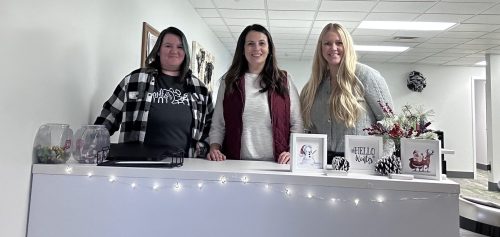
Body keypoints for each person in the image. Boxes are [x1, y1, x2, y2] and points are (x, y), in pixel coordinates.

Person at [94, 27, 213, 158]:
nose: (174, 51)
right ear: (158, 50)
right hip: (138, 164)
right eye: (168, 45)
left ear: (185, 52)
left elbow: (211, 127)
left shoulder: (200, 89)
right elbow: (110, 113)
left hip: (185, 166)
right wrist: (92, 140)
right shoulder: (135, 79)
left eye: (180, 47)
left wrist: (204, 149)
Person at [207, 24, 303, 164]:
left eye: (262, 43)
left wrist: (292, 152)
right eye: (250, 44)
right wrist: (214, 148)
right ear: (243, 49)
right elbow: (218, 123)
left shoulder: (284, 81)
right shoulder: (229, 82)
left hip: (277, 164)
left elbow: (297, 123)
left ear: (269, 49)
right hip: (234, 163)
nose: (256, 48)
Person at [300, 23, 393, 161]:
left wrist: (384, 160)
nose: (333, 48)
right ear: (321, 48)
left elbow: (390, 121)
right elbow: (307, 128)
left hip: (360, 163)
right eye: (327, 43)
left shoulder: (366, 76)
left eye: (339, 43)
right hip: (321, 163)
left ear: (347, 46)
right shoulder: (313, 85)